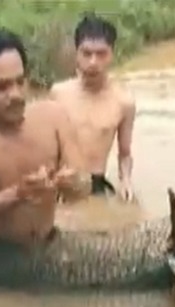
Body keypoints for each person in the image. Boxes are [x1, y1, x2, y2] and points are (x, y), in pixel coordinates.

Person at [0, 29, 92, 248]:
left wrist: (73, 183)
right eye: (2, 86)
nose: (15, 94)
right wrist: (18, 193)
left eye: (20, 82)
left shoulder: (54, 115)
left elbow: (84, 186)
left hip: (48, 242)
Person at [50, 13, 137, 201]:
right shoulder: (58, 93)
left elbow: (125, 153)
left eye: (101, 54)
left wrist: (126, 181)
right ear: (76, 53)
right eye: (86, 53)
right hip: (61, 182)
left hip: (96, 183)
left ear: (112, 54)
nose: (93, 62)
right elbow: (45, 144)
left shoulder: (124, 102)